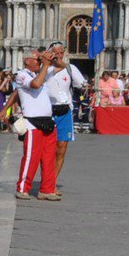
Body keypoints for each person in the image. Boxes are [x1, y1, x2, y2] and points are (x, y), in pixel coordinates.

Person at [14, 49, 58, 200]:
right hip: (32, 122)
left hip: (48, 121)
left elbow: (61, 66)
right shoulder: (22, 75)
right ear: (27, 61)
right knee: (31, 157)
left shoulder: (42, 72)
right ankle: (23, 188)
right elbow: (35, 85)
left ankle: (47, 189)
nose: (40, 62)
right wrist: (45, 65)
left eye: (40, 60)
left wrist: (50, 57)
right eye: (37, 59)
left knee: (49, 158)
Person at [41, 42, 85, 185]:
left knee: (61, 149)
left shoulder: (71, 69)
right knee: (47, 149)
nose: (59, 56)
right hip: (47, 112)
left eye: (61, 53)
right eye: (56, 53)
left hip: (65, 111)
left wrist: (86, 87)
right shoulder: (44, 69)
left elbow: (82, 85)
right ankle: (45, 179)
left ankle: (52, 181)